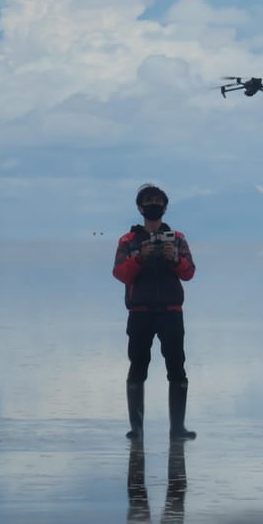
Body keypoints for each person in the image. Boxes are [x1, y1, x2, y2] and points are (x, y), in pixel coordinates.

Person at [113, 183, 197, 441]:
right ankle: (136, 429)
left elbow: (189, 272)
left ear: (165, 207)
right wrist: (140, 258)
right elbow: (119, 273)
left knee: (177, 369)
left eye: (157, 201)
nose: (153, 205)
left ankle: (177, 429)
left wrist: (174, 258)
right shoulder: (128, 241)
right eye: (148, 201)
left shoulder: (178, 239)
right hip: (140, 312)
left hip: (171, 312)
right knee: (138, 367)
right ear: (139, 207)